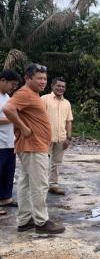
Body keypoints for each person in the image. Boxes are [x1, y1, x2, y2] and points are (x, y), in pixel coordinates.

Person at [3, 64, 65, 234]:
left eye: (44, 78)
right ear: (27, 78)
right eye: (39, 78)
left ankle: (24, 220)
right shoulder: (25, 93)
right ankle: (41, 222)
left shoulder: (33, 94)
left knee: (26, 184)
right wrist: (23, 128)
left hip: (32, 146)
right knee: (40, 184)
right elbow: (7, 109)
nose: (43, 81)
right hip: (33, 147)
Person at [42, 77, 73, 195]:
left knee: (56, 163)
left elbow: (69, 121)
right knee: (43, 162)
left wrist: (68, 138)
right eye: (58, 86)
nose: (61, 88)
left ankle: (53, 185)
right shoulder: (44, 99)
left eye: (63, 86)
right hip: (45, 137)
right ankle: (41, 185)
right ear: (52, 86)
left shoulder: (67, 103)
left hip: (61, 138)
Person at [0, 70, 21, 216]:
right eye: (12, 84)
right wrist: (13, 119)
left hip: (9, 142)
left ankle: (5, 198)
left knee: (8, 171)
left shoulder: (7, 97)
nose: (13, 88)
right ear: (3, 80)